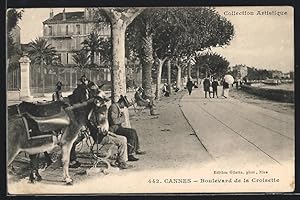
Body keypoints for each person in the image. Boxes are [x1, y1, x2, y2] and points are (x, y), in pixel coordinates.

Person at [87, 98, 133, 169]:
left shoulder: (94, 116)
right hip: (101, 138)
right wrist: (104, 130)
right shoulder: (96, 118)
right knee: (122, 140)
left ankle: (121, 160)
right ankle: (122, 162)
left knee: (123, 138)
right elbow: (100, 132)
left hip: (102, 136)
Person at [108, 95, 146, 161]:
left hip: (117, 127)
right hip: (114, 129)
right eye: (124, 105)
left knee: (133, 131)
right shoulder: (113, 107)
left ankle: (136, 149)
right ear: (121, 102)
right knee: (130, 133)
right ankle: (130, 154)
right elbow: (114, 121)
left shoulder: (116, 107)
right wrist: (122, 118)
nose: (124, 107)